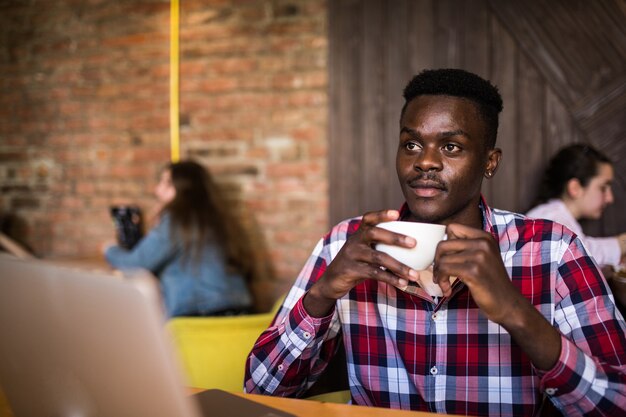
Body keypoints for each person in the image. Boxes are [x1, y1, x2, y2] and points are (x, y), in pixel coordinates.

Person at [244, 69, 626, 416]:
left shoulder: (553, 250)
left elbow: (616, 404)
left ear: (490, 162)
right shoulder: (346, 244)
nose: (425, 161)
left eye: (451, 147)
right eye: (411, 144)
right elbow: (259, 388)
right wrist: (323, 293)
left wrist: (516, 312)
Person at [104, 160, 254, 318]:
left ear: (184, 189)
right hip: (241, 314)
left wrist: (109, 249)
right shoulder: (217, 218)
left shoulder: (177, 220)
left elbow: (137, 263)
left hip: (199, 315)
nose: (157, 190)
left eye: (166, 183)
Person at [526, 144, 626, 267]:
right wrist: (622, 243)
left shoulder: (559, 218)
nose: (610, 198)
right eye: (603, 188)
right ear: (575, 188)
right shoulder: (550, 220)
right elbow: (578, 255)